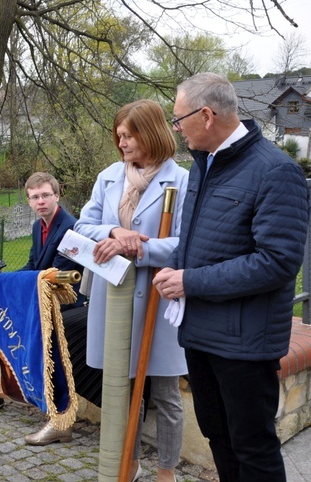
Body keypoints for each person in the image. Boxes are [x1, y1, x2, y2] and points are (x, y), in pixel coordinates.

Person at [153, 72, 309, 482]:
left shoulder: (276, 171)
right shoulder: (203, 166)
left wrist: (189, 281)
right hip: (201, 333)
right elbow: (202, 243)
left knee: (253, 447)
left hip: (244, 342)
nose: (175, 127)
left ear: (206, 115)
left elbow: (277, 262)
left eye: (178, 118)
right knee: (218, 437)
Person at [75, 99, 188, 482]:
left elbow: (186, 242)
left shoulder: (182, 180)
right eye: (119, 136)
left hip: (158, 293)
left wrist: (140, 248)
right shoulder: (109, 176)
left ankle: (167, 471)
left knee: (166, 394)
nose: (122, 144)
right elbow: (81, 227)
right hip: (115, 297)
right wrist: (113, 232)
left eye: (129, 136)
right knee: (122, 391)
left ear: (151, 132)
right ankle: (130, 461)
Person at [14, 172, 101, 446]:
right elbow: (33, 265)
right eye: (34, 197)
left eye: (45, 195)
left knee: (53, 350)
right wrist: (8, 280)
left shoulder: (71, 228)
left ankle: (61, 422)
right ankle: (54, 414)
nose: (40, 201)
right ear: (29, 201)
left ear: (57, 196)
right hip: (46, 302)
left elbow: (56, 274)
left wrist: (25, 282)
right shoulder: (38, 227)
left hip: (68, 306)